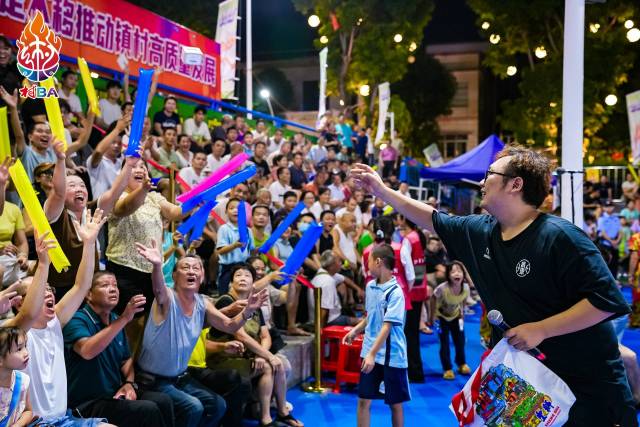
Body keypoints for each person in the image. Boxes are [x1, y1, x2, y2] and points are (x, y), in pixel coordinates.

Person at [351, 145, 637, 426]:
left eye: (490, 174)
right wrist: (381, 191)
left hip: (587, 391)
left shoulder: (561, 238)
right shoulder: (480, 231)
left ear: (515, 184)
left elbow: (605, 300)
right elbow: (432, 219)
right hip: (528, 386)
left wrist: (542, 329)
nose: (481, 181)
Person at [133, 242, 268, 427]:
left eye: (196, 268)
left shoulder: (202, 302)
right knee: (194, 407)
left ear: (202, 277)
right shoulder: (166, 298)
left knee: (217, 405)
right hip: (153, 379)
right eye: (185, 267)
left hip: (180, 377)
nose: (191, 271)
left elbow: (229, 325)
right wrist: (157, 265)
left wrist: (247, 311)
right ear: (174, 275)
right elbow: (158, 288)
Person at [7, 213, 110, 426]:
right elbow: (27, 315)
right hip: (35, 423)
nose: (48, 294)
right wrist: (43, 262)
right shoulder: (15, 332)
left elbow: (81, 286)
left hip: (64, 418)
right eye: (39, 290)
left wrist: (89, 244)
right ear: (18, 303)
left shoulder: (54, 322)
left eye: (49, 289)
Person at [62, 271, 174, 427]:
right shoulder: (77, 319)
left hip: (114, 394)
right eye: (105, 285)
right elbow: (87, 351)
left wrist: (129, 383)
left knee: (163, 401)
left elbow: (126, 360)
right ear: (88, 294)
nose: (113, 289)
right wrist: (124, 319)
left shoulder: (115, 319)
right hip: (88, 403)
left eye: (115, 285)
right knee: (148, 410)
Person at [209, 264, 303, 427]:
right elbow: (241, 335)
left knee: (277, 364)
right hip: (222, 357)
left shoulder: (254, 304)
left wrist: (262, 354)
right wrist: (268, 356)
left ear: (253, 282)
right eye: (238, 275)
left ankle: (283, 413)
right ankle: (265, 419)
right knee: (269, 365)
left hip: (246, 356)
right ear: (231, 282)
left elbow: (265, 336)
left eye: (247, 275)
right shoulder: (227, 301)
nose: (243, 278)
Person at [343, 244, 410, 427]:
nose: (367, 266)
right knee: (363, 400)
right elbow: (370, 317)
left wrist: (372, 354)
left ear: (378, 262)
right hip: (370, 353)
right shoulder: (370, 286)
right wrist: (355, 330)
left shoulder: (395, 293)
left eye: (368, 262)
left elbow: (387, 326)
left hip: (391, 356)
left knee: (395, 404)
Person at [430, 261, 471, 380]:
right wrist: (432, 316)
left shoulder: (466, 288)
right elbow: (433, 298)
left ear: (463, 274)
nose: (456, 274)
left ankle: (461, 363)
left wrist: (462, 313)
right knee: (444, 343)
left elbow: (463, 301)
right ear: (448, 275)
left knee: (460, 340)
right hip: (442, 318)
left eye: (459, 271)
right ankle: (447, 368)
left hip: (456, 316)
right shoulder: (442, 288)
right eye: (453, 272)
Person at [310, 250, 359, 327]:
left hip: (321, 318)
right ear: (331, 266)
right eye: (339, 261)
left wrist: (358, 290)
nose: (341, 263)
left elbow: (344, 279)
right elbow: (324, 310)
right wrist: (321, 332)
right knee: (363, 323)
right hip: (330, 321)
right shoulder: (328, 281)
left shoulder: (321, 274)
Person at [216, 198, 255, 295]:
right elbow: (220, 251)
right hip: (228, 268)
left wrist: (261, 249)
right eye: (231, 208)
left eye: (239, 208)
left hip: (244, 267)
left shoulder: (248, 230)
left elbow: (251, 251)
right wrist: (234, 245)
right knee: (225, 295)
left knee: (243, 295)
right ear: (226, 212)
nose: (235, 210)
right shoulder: (224, 229)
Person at [0, 327, 33, 426]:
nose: (26, 353)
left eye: (25, 346)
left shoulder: (23, 380)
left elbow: (28, 411)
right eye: (19, 349)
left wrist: (17, 425)